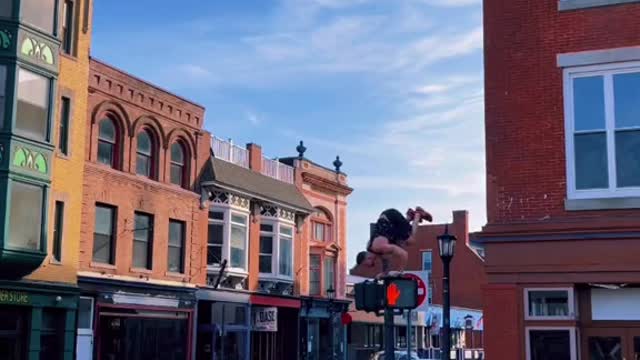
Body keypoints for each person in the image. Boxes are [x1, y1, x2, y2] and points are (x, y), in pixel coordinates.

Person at [356, 207, 431, 277]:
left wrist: (399, 271)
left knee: (410, 241)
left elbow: (404, 254)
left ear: (367, 258)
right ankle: (409, 217)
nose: (369, 267)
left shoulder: (379, 247)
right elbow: (385, 261)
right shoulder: (372, 248)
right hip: (388, 221)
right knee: (400, 241)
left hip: (391, 218)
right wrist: (384, 273)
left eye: (367, 265)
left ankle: (417, 215)